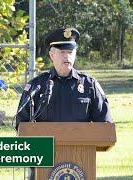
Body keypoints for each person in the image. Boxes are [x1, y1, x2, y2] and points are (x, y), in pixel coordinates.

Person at [15, 28, 112, 179]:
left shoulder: (90, 85)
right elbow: (21, 124)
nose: (66, 56)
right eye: (62, 52)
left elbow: (105, 125)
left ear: (75, 55)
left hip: (81, 163)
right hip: (43, 164)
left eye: (70, 52)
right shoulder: (37, 86)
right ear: (51, 55)